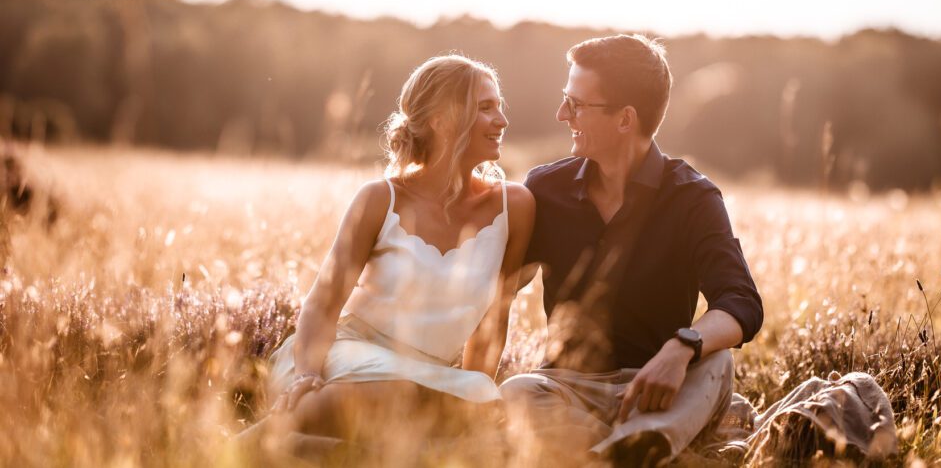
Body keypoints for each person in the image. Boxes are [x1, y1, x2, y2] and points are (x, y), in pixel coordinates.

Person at [245, 54, 534, 459]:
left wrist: (472, 398)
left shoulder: (515, 206)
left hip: (434, 377)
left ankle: (311, 449)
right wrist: (308, 374)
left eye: (499, 106)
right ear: (441, 118)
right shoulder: (380, 198)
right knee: (392, 393)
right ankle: (242, 449)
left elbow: (493, 321)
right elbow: (323, 303)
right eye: (486, 107)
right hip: (348, 355)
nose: (502, 120)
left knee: (484, 406)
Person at [500, 34, 763, 466]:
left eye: (577, 104)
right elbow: (501, 285)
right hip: (569, 385)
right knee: (517, 391)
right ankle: (638, 454)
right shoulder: (545, 189)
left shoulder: (692, 198)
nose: (562, 114)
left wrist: (681, 349)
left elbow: (741, 301)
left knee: (717, 363)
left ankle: (633, 444)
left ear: (625, 119)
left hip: (661, 388)